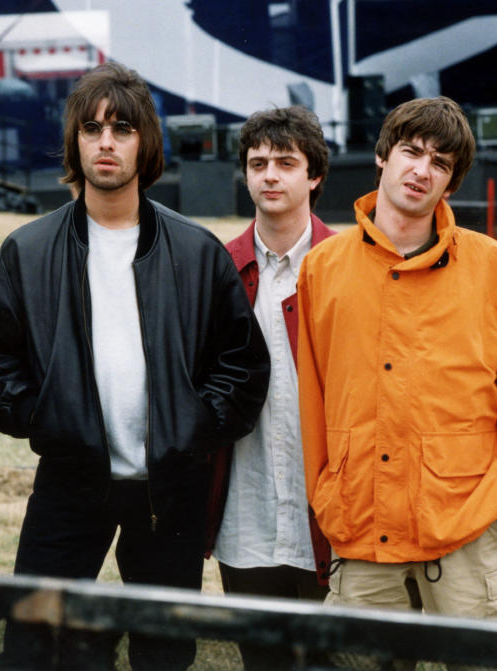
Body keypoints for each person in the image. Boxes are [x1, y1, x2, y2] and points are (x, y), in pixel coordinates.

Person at [0, 61, 270, 670]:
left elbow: (242, 365)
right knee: (31, 646)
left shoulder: (195, 249)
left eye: (122, 128)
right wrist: (39, 414)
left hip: (170, 487)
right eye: (92, 128)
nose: (106, 141)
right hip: (69, 478)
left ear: (146, 142)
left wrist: (192, 426)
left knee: (162, 652)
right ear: (75, 142)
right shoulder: (28, 250)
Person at [298, 97, 497, 632]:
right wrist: (327, 494)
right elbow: (312, 399)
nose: (422, 170)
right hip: (361, 522)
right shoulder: (322, 270)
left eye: (441, 163)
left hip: (468, 525)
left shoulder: (495, 269)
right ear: (383, 156)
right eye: (412, 151)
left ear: (450, 184)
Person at [205, 105, 335, 670]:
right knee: (263, 662)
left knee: (335, 661)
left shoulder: (347, 265)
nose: (270, 175)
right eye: (258, 163)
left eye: (287, 162)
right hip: (246, 513)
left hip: (329, 517)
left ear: (314, 176)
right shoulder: (217, 267)